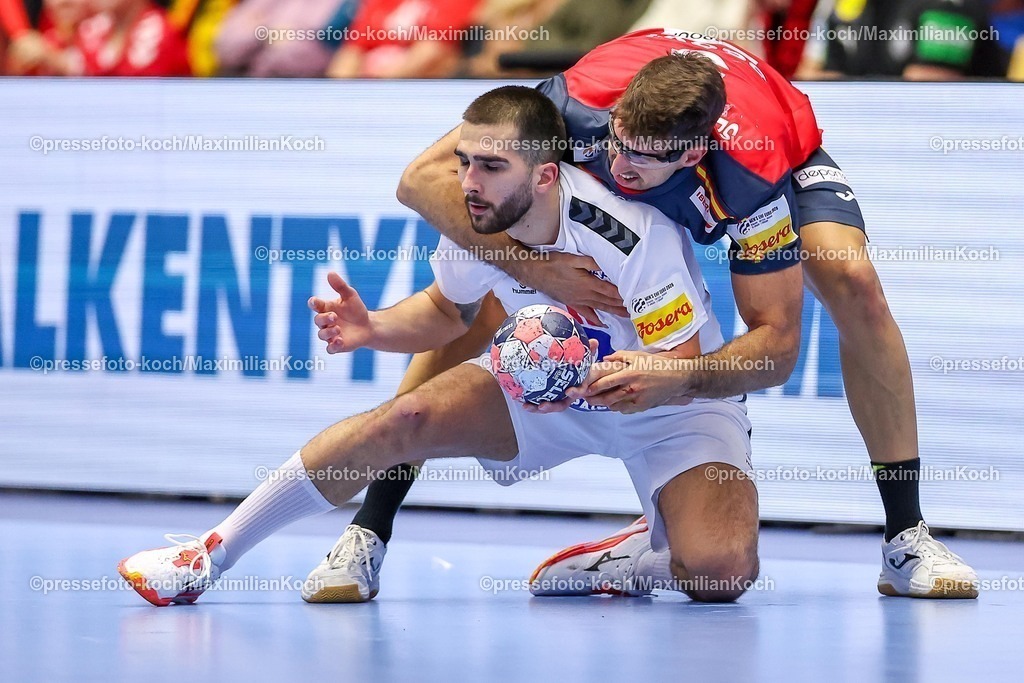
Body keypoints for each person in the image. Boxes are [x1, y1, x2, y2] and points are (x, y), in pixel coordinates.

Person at [309, 29, 978, 601]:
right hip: (639, 116)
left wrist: (677, 376)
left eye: (642, 161)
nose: (621, 170)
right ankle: (368, 526)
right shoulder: (574, 106)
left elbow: (776, 343)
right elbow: (420, 179)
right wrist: (527, 265)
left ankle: (904, 539)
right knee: (480, 291)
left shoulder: (749, 174)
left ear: (692, 157)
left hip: (774, 150)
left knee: (854, 281)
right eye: (617, 149)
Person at [118, 85, 761, 607]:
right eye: (464, 162)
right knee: (406, 417)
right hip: (551, 390)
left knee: (720, 574)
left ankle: (635, 554)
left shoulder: (631, 237)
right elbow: (446, 313)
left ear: (543, 175)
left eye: (489, 166)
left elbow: (681, 368)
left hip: (669, 406)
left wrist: (582, 373)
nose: (467, 182)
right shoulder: (478, 224)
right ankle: (208, 552)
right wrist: (373, 329)